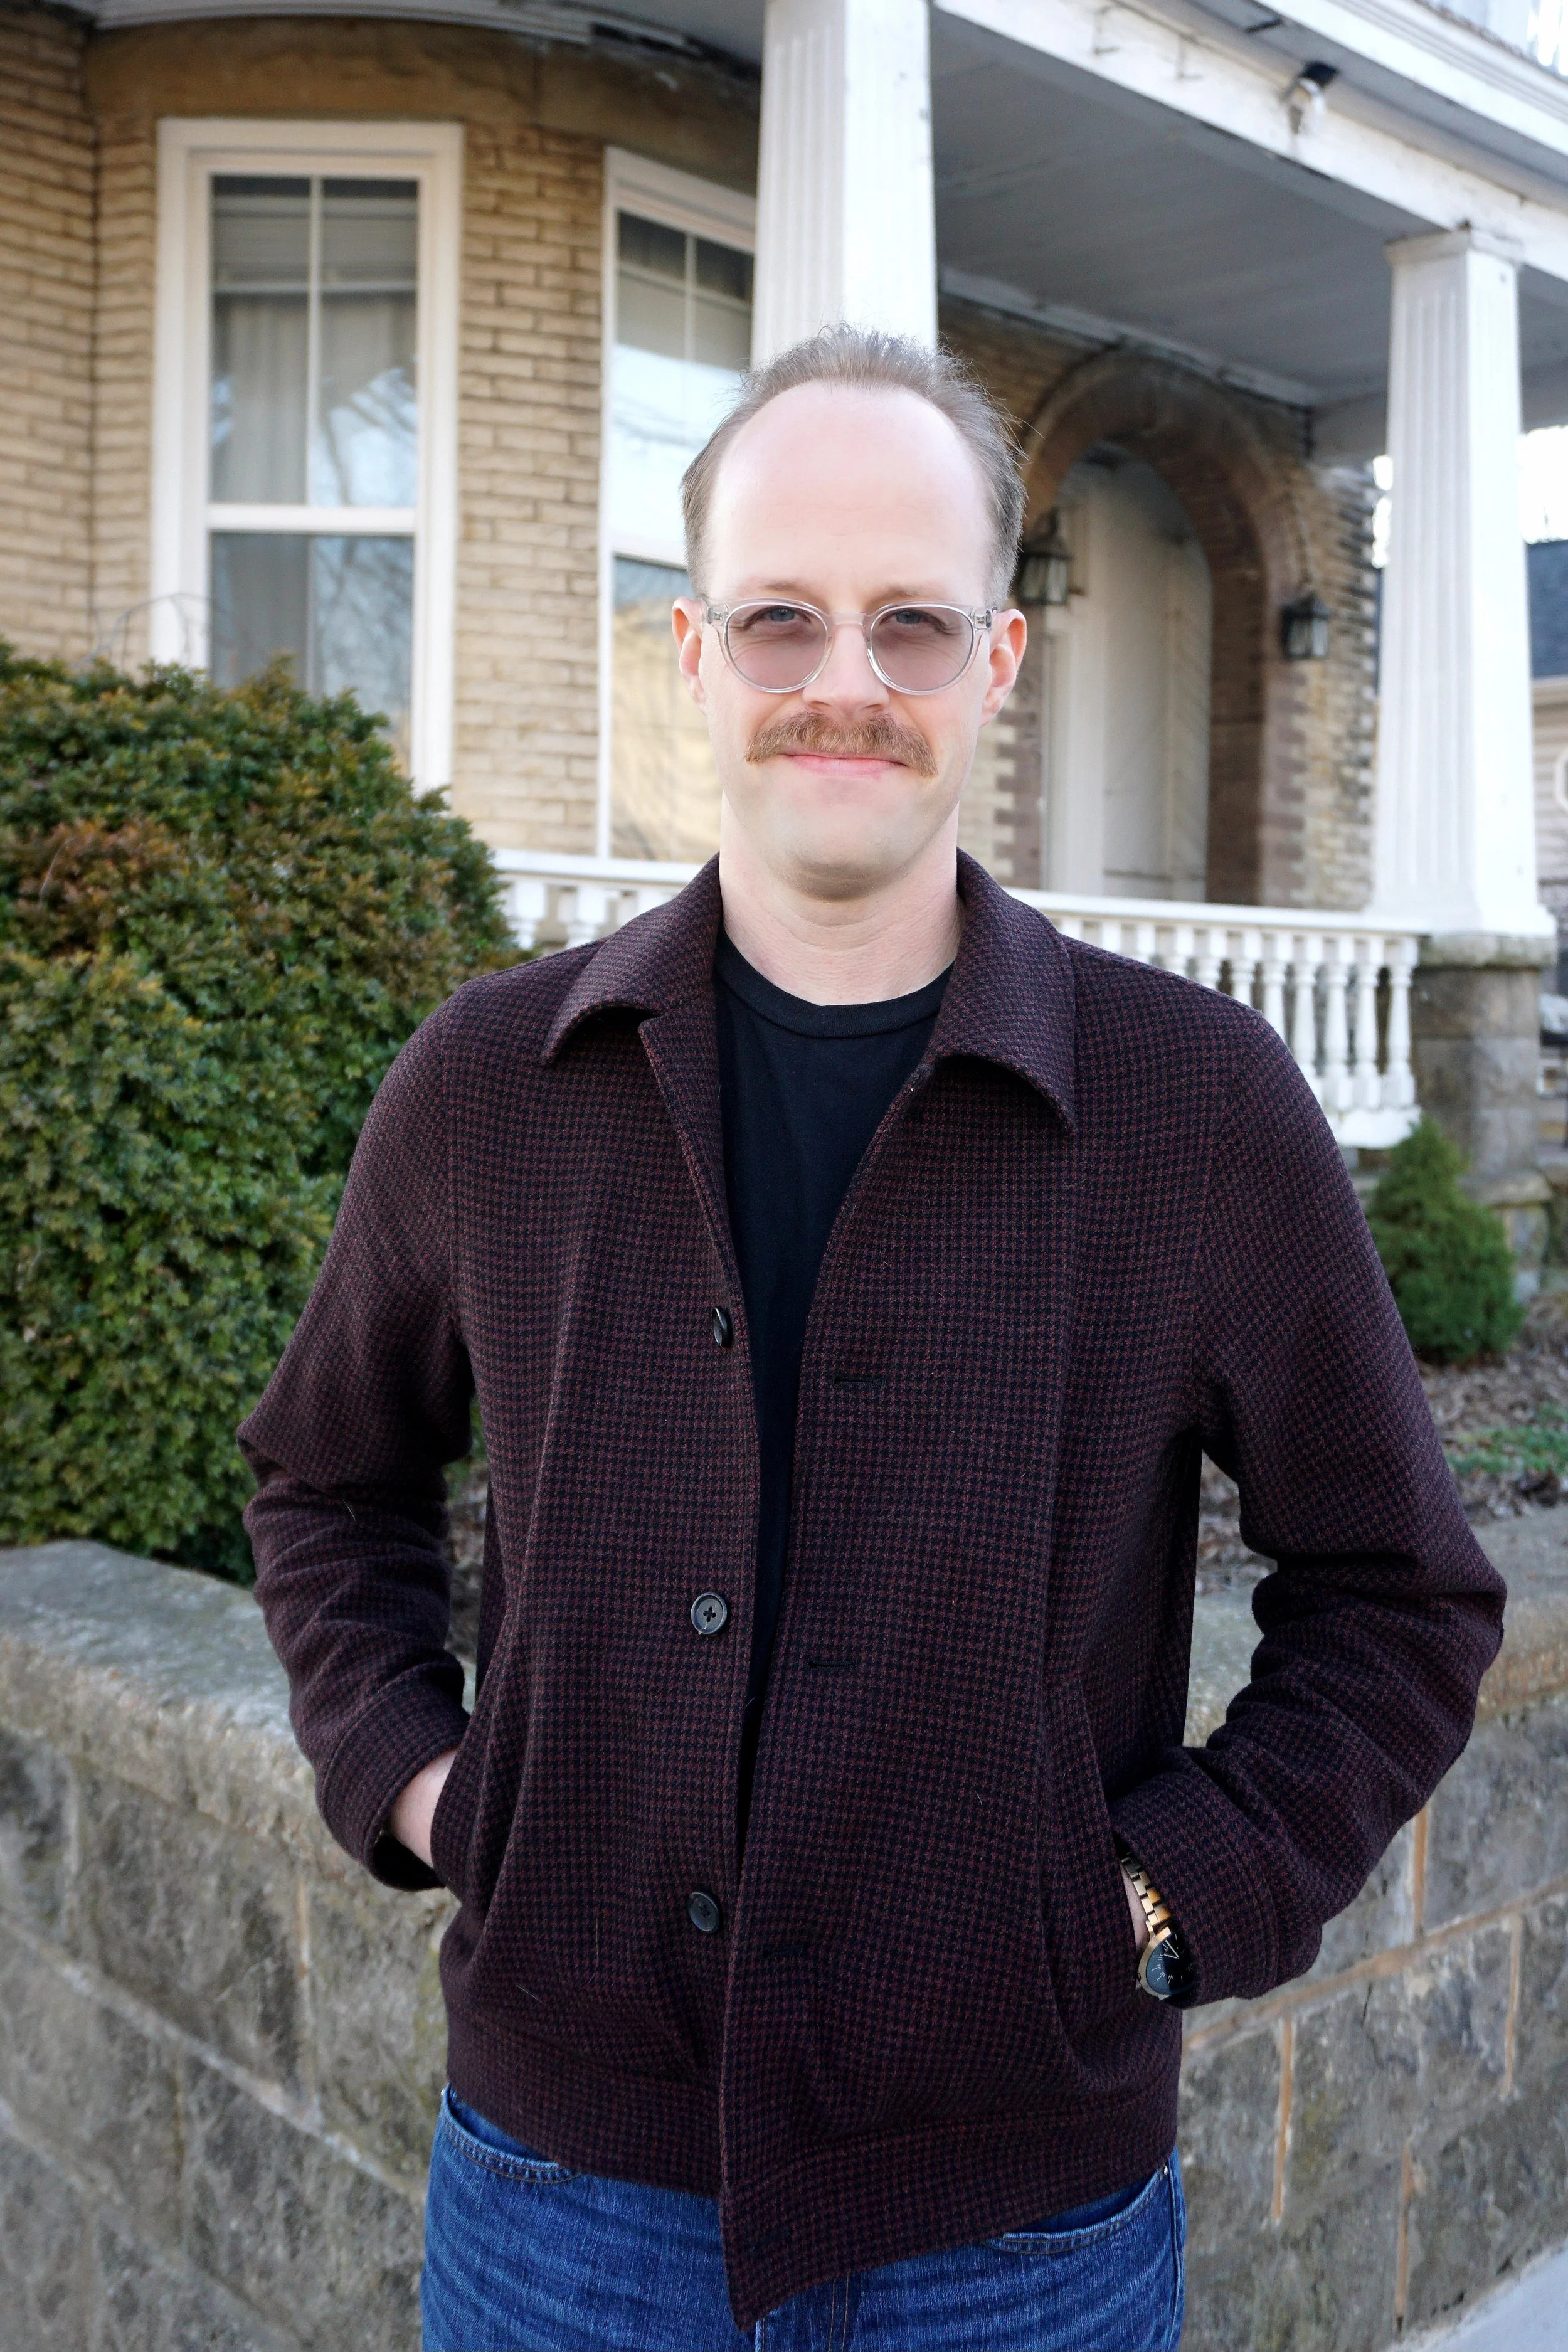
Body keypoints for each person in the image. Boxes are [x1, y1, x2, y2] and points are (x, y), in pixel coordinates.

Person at [241, 326, 1505, 2352]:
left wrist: (1156, 1901)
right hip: (560, 2198)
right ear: (692, 655)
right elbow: (326, 1480)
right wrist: (424, 1783)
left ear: (998, 664)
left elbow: (1399, 1597)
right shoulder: (487, 1081)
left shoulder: (1196, 1105)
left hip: (1020, 2233)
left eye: (913, 623)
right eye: (781, 619)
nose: (844, 680)